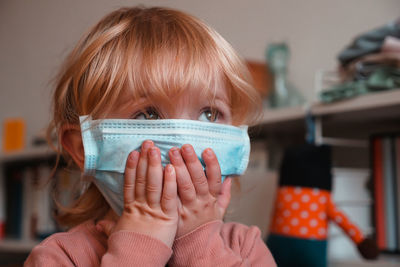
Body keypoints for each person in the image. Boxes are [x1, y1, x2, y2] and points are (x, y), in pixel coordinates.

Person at [25, 6, 276, 266]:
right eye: (147, 114)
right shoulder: (60, 257)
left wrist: (200, 245)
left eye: (209, 114)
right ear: (83, 147)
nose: (184, 143)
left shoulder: (246, 248)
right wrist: (139, 248)